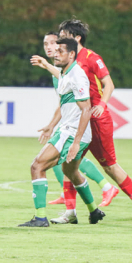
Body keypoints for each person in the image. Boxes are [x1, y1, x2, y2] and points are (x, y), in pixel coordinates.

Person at [57, 18, 132, 224]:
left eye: (64, 35)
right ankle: (70, 213)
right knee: (69, 164)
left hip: (96, 120)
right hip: (78, 120)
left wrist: (101, 104)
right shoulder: (68, 61)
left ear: (77, 38)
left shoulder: (91, 58)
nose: (60, 39)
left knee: (109, 166)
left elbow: (108, 84)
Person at [21, 37, 106, 227]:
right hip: (69, 130)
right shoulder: (67, 72)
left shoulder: (77, 75)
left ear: (72, 54)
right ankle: (94, 211)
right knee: (71, 171)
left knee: (37, 166)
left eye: (60, 51)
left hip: (71, 132)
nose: (55, 53)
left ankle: (41, 218)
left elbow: (86, 109)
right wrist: (45, 65)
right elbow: (62, 77)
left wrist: (76, 142)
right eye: (55, 50)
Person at [40, 31, 119, 224]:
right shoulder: (60, 71)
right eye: (46, 44)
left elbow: (84, 106)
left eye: (54, 44)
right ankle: (85, 209)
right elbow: (64, 103)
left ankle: (103, 189)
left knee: (47, 164)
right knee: (68, 167)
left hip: (75, 129)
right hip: (67, 128)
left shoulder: (76, 71)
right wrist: (51, 125)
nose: (50, 48)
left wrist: (73, 137)